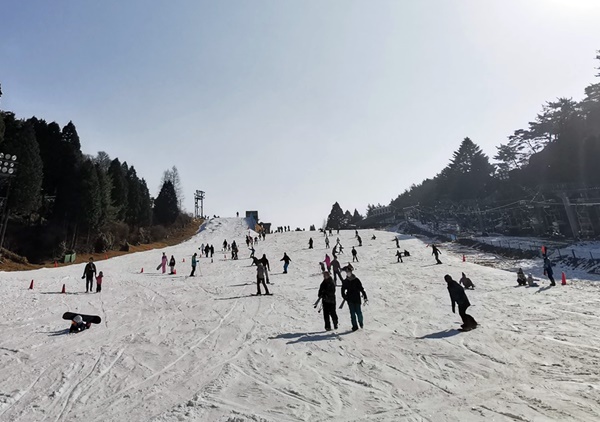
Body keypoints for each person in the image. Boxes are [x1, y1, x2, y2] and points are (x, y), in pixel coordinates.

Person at [341, 266, 367, 331]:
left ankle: (361, 323)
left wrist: (365, 296)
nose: (348, 273)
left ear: (351, 272)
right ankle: (354, 326)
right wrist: (345, 297)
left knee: (358, 313)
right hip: (350, 299)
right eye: (347, 272)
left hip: (357, 298)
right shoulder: (345, 281)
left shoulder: (356, 280)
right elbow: (342, 290)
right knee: (352, 314)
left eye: (349, 272)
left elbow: (361, 289)